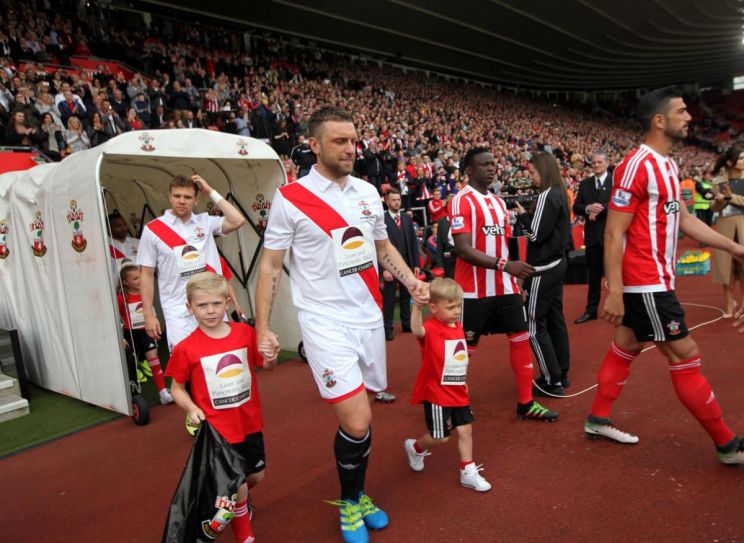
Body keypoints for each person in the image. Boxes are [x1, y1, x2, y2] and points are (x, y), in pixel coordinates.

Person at [255, 107, 428, 543]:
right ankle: (349, 502)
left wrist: (411, 282)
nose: (351, 149)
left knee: (362, 422)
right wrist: (262, 327)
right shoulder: (290, 198)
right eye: (340, 141)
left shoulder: (367, 192)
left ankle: (358, 492)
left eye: (353, 140)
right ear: (314, 145)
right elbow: (270, 266)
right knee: (357, 420)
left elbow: (383, 248)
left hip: (368, 316)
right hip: (324, 321)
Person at [585, 86, 744, 465]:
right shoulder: (636, 165)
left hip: (655, 280)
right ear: (659, 120)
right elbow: (614, 232)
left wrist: (734, 248)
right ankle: (727, 445)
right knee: (685, 353)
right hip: (646, 282)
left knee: (627, 344)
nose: (689, 117)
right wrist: (615, 291)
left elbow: (685, 220)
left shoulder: (669, 166)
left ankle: (597, 419)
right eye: (682, 111)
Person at [166, 272, 275, 543]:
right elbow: (176, 388)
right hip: (218, 432)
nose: (210, 310)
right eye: (202, 305)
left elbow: (266, 365)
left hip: (249, 423)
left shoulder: (244, 333)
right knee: (239, 486)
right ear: (190, 307)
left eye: (216, 303)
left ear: (227, 302)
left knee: (256, 475)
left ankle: (232, 502)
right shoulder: (186, 348)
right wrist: (191, 408)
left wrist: (271, 356)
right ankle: (245, 535)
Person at [450, 147, 558, 422]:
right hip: (474, 292)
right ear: (469, 170)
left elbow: (507, 245)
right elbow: (463, 249)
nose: (491, 168)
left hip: (506, 288)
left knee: (520, 340)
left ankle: (526, 403)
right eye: (484, 165)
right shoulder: (461, 201)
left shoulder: (499, 203)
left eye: (493, 164)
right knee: (463, 351)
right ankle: (453, 404)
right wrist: (504, 265)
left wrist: (517, 277)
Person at [136, 174, 246, 352]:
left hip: (211, 305)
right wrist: (148, 314)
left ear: (196, 200)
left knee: (218, 358)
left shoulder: (205, 221)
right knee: (185, 360)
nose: (181, 201)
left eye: (187, 197)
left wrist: (210, 191)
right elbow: (146, 274)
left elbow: (238, 220)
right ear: (169, 197)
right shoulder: (152, 229)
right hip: (177, 310)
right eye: (177, 196)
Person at [404, 278, 491, 492]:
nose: (457, 311)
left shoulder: (458, 326)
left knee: (465, 429)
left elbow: (456, 359)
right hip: (437, 393)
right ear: (433, 308)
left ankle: (467, 470)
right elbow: (417, 330)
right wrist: (417, 307)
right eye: (450, 307)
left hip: (457, 389)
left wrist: (463, 380)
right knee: (441, 437)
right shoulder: (430, 328)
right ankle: (415, 448)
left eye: (458, 306)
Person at [514, 152, 572, 395]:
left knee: (534, 324)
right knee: (555, 319)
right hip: (557, 264)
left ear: (543, 171)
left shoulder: (547, 195)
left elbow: (536, 235)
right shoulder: (559, 193)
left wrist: (522, 216)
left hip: (543, 268)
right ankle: (561, 372)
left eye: (533, 172)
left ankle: (552, 380)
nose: (530, 177)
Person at [117, 265, 173, 404]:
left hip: (146, 331)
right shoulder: (121, 298)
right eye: (135, 278)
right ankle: (133, 395)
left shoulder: (146, 292)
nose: (139, 281)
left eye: (140, 277)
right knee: (131, 363)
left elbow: (152, 311)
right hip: (131, 334)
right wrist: (121, 337)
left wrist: (155, 323)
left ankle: (163, 393)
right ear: (125, 282)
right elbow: (116, 317)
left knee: (153, 358)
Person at [572, 152, 613, 324]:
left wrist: (599, 209)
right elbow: (576, 207)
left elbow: (621, 203)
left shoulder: (615, 181)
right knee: (594, 277)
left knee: (617, 274)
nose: (596, 165)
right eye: (594, 163)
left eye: (599, 162)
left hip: (612, 236)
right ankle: (591, 311)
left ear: (607, 163)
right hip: (592, 238)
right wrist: (588, 208)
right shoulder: (585, 184)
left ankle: (625, 309)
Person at [382, 188, 420, 342]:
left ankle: (406, 324)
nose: (396, 202)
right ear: (387, 201)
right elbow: (378, 247)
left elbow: (413, 242)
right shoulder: (382, 219)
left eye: (398, 199)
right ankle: (387, 329)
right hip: (389, 266)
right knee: (389, 299)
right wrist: (384, 269)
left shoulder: (406, 218)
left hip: (407, 265)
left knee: (406, 296)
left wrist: (416, 263)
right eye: (393, 200)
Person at [710, 146, 744, 318]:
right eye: (741, 158)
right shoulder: (719, 181)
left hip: (743, 225)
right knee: (726, 268)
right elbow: (714, 208)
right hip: (725, 226)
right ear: (730, 162)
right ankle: (729, 304)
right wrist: (719, 201)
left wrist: (730, 197)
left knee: (743, 266)